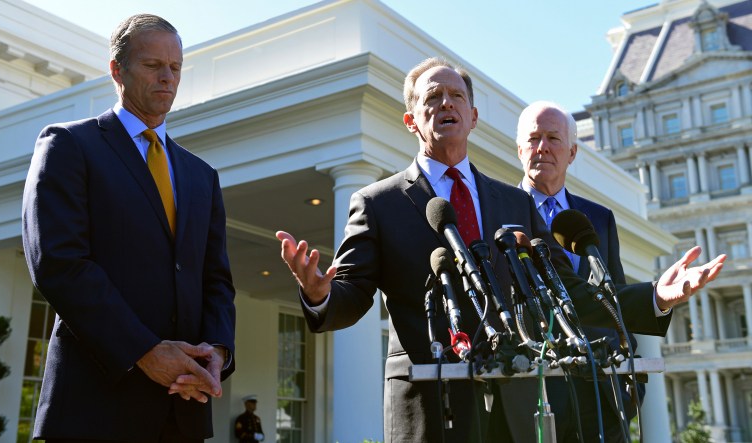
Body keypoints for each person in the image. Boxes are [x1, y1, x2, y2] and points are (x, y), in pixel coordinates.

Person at [275, 57, 724, 443]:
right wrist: (319, 294)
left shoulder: (515, 203)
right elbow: (351, 294)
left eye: (456, 96)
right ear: (411, 120)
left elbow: (568, 293)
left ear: (473, 117)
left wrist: (656, 297)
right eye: (433, 97)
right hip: (430, 402)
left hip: (514, 403)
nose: (446, 103)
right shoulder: (378, 202)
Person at [21, 14, 236, 442]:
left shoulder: (201, 175)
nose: (167, 77)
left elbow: (216, 281)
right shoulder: (69, 145)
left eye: (175, 67)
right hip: (96, 408)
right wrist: (144, 351)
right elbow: (59, 263)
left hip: (183, 410)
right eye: (152, 65)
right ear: (117, 71)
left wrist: (216, 351)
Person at [516, 101, 642, 442]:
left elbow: (616, 300)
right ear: (520, 149)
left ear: (572, 152)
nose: (542, 147)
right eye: (533, 138)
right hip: (534, 390)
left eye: (553, 138)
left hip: (604, 395)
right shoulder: (500, 212)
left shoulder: (600, 218)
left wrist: (632, 384)